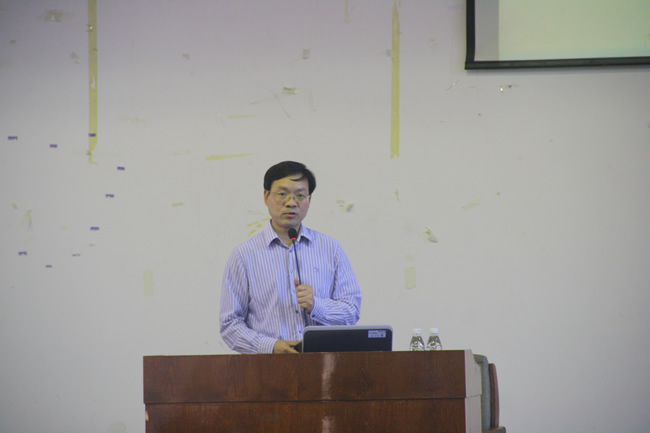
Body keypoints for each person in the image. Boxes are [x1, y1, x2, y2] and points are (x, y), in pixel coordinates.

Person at [219, 161, 362, 354]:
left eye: (300, 195)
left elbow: (352, 311)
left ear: (309, 200)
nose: (291, 202)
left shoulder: (330, 249)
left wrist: (316, 305)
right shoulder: (244, 255)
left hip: (323, 364)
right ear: (266, 196)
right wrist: (270, 346)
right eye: (282, 194)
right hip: (267, 365)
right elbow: (230, 324)